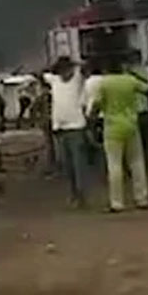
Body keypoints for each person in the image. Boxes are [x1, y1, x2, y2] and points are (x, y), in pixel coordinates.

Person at [88, 58, 148, 212]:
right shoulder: (129, 80)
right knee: (136, 163)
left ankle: (117, 203)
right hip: (131, 124)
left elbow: (96, 103)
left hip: (112, 126)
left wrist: (91, 119)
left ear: (105, 70)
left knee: (114, 165)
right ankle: (141, 199)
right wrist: (133, 74)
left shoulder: (103, 83)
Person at [43, 56, 90, 208]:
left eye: (67, 69)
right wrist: (56, 66)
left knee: (78, 165)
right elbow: (40, 73)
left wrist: (74, 63)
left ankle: (81, 196)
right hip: (61, 130)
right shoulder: (54, 80)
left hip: (76, 128)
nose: (65, 72)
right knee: (68, 166)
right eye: (62, 69)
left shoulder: (77, 78)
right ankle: (74, 194)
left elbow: (87, 65)